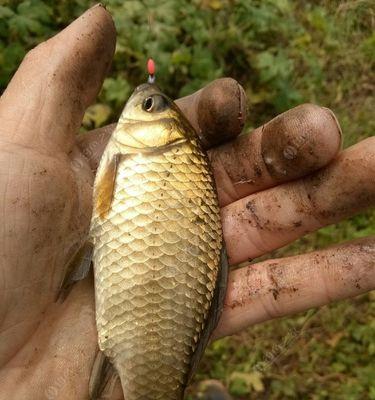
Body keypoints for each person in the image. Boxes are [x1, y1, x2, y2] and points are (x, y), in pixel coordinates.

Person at [0, 5, 373, 400]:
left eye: (149, 106)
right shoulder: (136, 160)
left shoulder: (128, 160)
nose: (145, 97)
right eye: (151, 106)